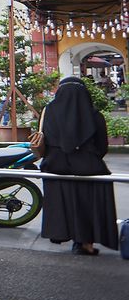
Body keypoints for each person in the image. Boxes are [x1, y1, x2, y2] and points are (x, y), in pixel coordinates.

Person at [39, 77, 120, 255]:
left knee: (62, 198)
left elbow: (46, 139)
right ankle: (85, 243)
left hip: (55, 166)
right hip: (88, 166)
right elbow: (102, 147)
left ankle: (60, 232)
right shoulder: (94, 115)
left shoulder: (50, 112)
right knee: (88, 202)